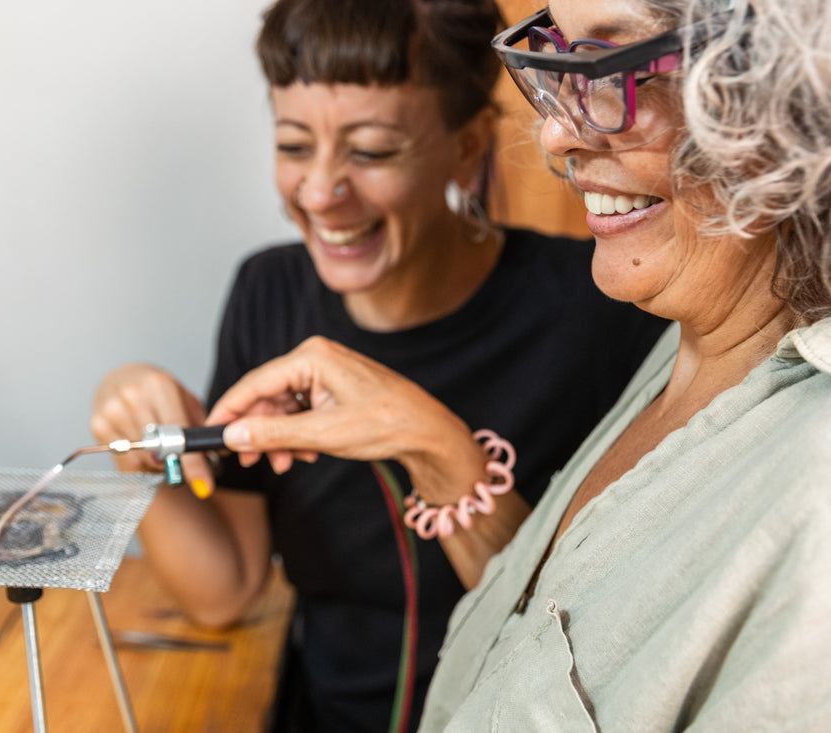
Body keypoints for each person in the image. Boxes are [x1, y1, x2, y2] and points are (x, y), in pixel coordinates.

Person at [208, 0, 831, 729]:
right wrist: (432, 445)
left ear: (788, 80)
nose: (555, 136)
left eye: (607, 66)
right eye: (556, 63)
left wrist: (441, 454)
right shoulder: (683, 339)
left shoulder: (806, 496)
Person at [90, 0, 667, 730]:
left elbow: (592, 636)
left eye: (370, 151)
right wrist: (142, 444)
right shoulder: (267, 294)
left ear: (468, 148)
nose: (323, 192)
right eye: (294, 146)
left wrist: (438, 449)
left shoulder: (596, 308)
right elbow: (224, 589)